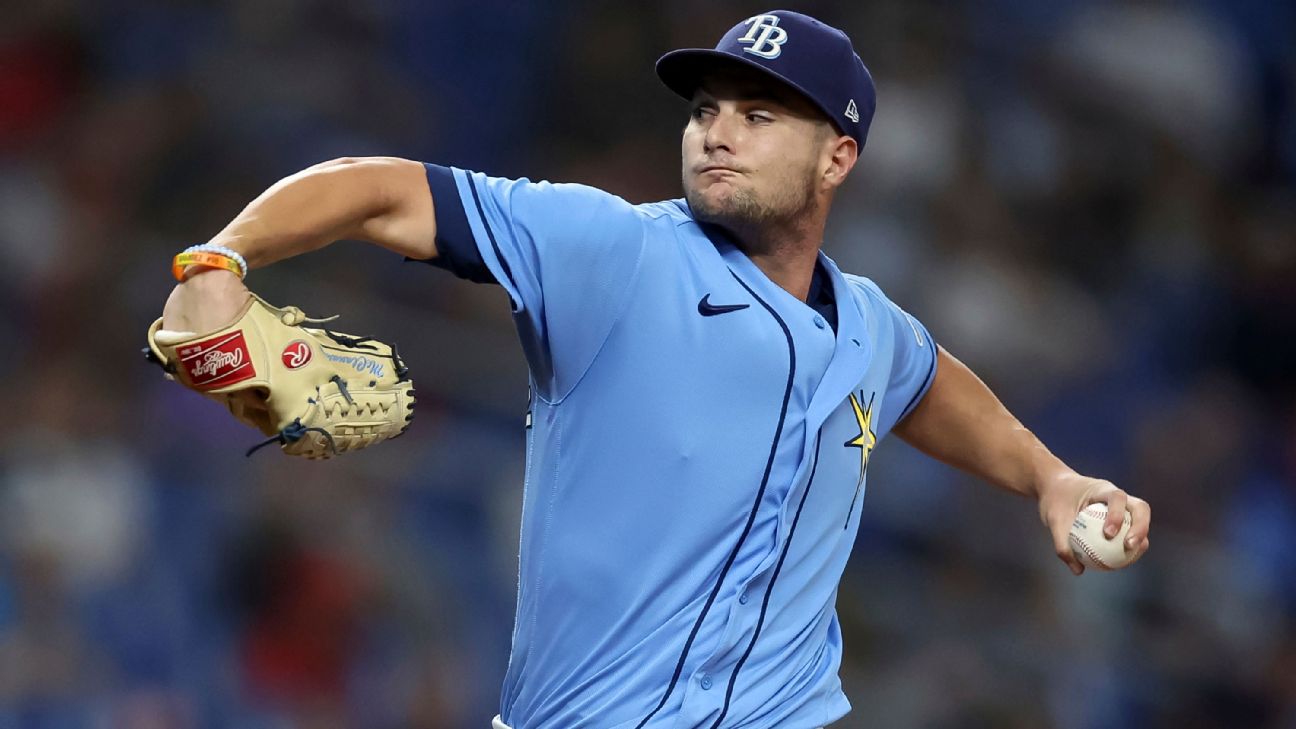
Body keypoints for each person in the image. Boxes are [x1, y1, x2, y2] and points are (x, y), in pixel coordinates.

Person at [161, 10, 1152, 729]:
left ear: (838, 159)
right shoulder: (615, 250)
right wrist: (218, 261)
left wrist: (1052, 479)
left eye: (759, 115)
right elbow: (376, 189)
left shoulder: (870, 326)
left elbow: (931, 388)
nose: (717, 129)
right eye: (707, 110)